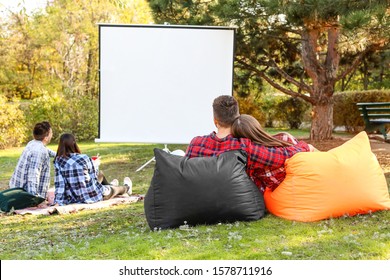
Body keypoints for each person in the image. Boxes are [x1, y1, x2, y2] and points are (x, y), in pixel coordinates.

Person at [185, 95, 312, 193]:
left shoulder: (195, 143)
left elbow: (186, 173)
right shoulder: (245, 146)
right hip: (234, 200)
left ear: (215, 120)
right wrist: (304, 146)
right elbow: (281, 156)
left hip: (199, 196)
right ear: (238, 117)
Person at [53, 133, 132, 206]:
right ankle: (127, 187)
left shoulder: (58, 161)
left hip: (74, 198)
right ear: (74, 143)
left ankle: (110, 185)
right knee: (116, 190)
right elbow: (93, 177)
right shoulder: (84, 158)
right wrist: (96, 164)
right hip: (92, 195)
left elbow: (60, 184)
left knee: (101, 174)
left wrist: (58, 201)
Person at [9, 121, 55, 199]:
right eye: (51, 133)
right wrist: (34, 199)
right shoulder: (39, 151)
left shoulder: (33, 143)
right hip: (24, 195)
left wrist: (60, 154)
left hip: (16, 189)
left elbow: (47, 151)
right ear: (46, 137)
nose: (52, 135)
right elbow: (33, 176)